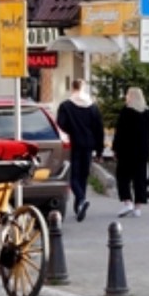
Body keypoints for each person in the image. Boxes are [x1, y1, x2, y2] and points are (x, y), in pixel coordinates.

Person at [57, 78, 105, 222]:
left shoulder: (66, 106)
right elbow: (99, 129)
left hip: (73, 144)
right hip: (88, 144)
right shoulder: (93, 107)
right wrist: (99, 150)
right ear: (83, 88)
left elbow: (61, 125)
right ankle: (79, 205)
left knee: (73, 176)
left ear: (72, 88)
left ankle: (81, 200)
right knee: (83, 175)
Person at [112, 87, 149, 217]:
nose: (125, 97)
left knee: (123, 177)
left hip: (126, 151)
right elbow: (148, 133)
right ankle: (138, 207)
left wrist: (115, 148)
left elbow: (120, 132)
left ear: (131, 97)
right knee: (140, 179)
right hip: (141, 152)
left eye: (127, 94)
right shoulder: (146, 112)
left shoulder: (126, 111)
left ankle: (127, 201)